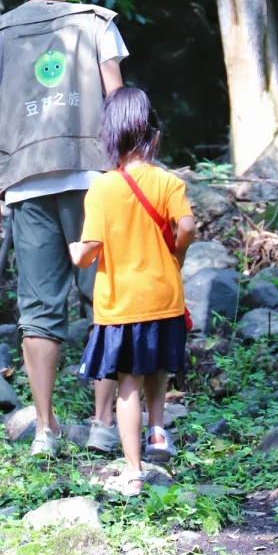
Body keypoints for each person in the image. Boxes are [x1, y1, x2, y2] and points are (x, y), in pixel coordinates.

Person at [0, 0, 127, 457]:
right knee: (105, 299)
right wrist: (129, 170)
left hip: (25, 183)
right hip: (95, 179)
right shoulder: (96, 23)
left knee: (39, 308)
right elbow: (117, 99)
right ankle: (106, 423)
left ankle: (44, 429)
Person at [69, 85, 196, 498]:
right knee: (157, 368)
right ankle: (158, 432)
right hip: (164, 296)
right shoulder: (167, 182)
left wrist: (75, 252)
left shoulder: (102, 189)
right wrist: (175, 254)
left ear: (111, 137)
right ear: (152, 136)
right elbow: (188, 227)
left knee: (127, 384)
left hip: (121, 304)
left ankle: (134, 470)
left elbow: (89, 253)